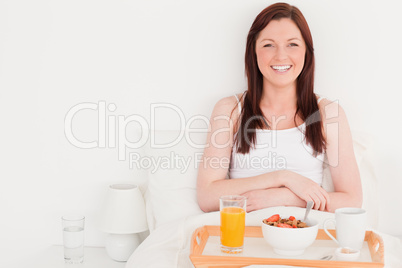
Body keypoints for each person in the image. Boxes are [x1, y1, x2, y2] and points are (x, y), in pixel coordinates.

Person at [196, 2, 362, 213]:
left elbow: (352, 200)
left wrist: (285, 197)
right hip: (243, 235)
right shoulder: (230, 110)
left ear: (306, 52)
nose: (281, 56)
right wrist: (283, 177)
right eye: (268, 45)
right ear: (253, 53)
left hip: (304, 235)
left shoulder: (328, 114)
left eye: (292, 44)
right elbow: (207, 196)